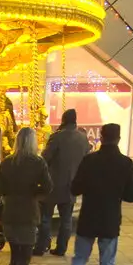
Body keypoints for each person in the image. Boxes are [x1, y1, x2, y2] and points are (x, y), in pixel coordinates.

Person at [61, 122, 133, 265]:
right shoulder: (126, 163)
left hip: (88, 217)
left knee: (80, 257)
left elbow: (75, 188)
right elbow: (131, 196)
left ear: (101, 138)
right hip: (110, 220)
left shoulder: (89, 160)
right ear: (118, 139)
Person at [0, 126, 52, 265]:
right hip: (28, 213)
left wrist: (11, 192)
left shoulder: (7, 162)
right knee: (25, 257)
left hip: (10, 214)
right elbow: (48, 186)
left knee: (15, 255)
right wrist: (34, 191)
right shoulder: (38, 163)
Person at [35, 108, 90, 256]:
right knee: (66, 219)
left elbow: (45, 158)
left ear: (63, 120)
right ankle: (61, 248)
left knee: (45, 217)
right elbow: (86, 159)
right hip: (72, 184)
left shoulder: (57, 137)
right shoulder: (83, 138)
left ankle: (41, 247)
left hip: (53, 184)